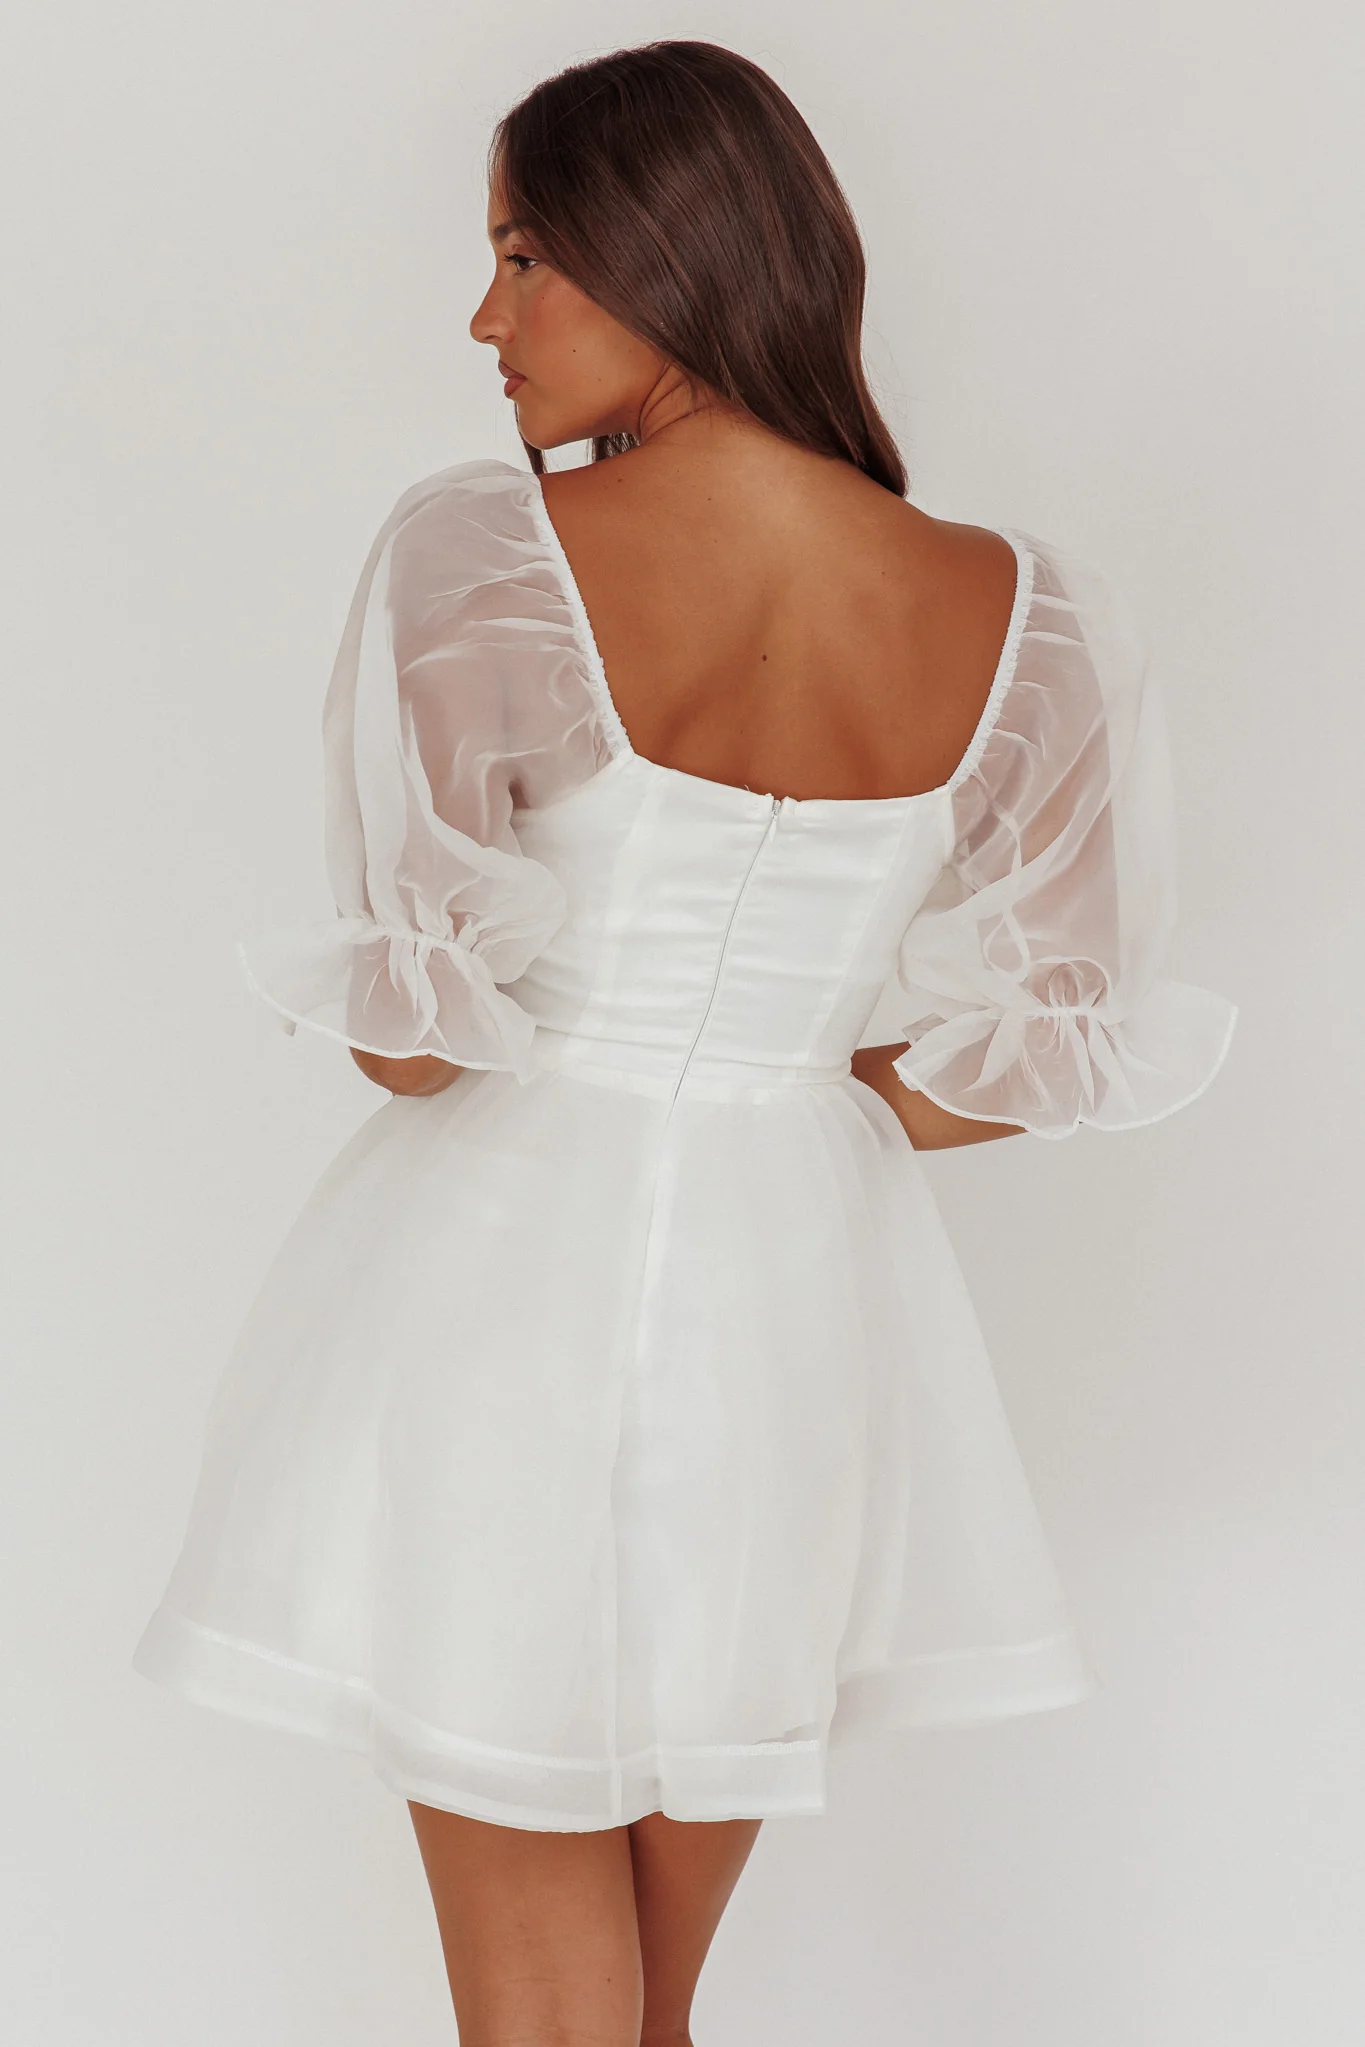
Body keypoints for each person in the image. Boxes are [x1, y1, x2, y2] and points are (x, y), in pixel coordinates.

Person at [132, 39, 1238, 2047]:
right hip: (794, 1312)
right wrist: (783, 1074)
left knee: (547, 2015)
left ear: (667, 248)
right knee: (644, 2012)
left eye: (522, 258)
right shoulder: (1014, 609)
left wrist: (567, 1006)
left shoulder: (488, 554)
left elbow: (412, 1046)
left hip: (504, 1291)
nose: (486, 321)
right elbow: (1038, 1047)